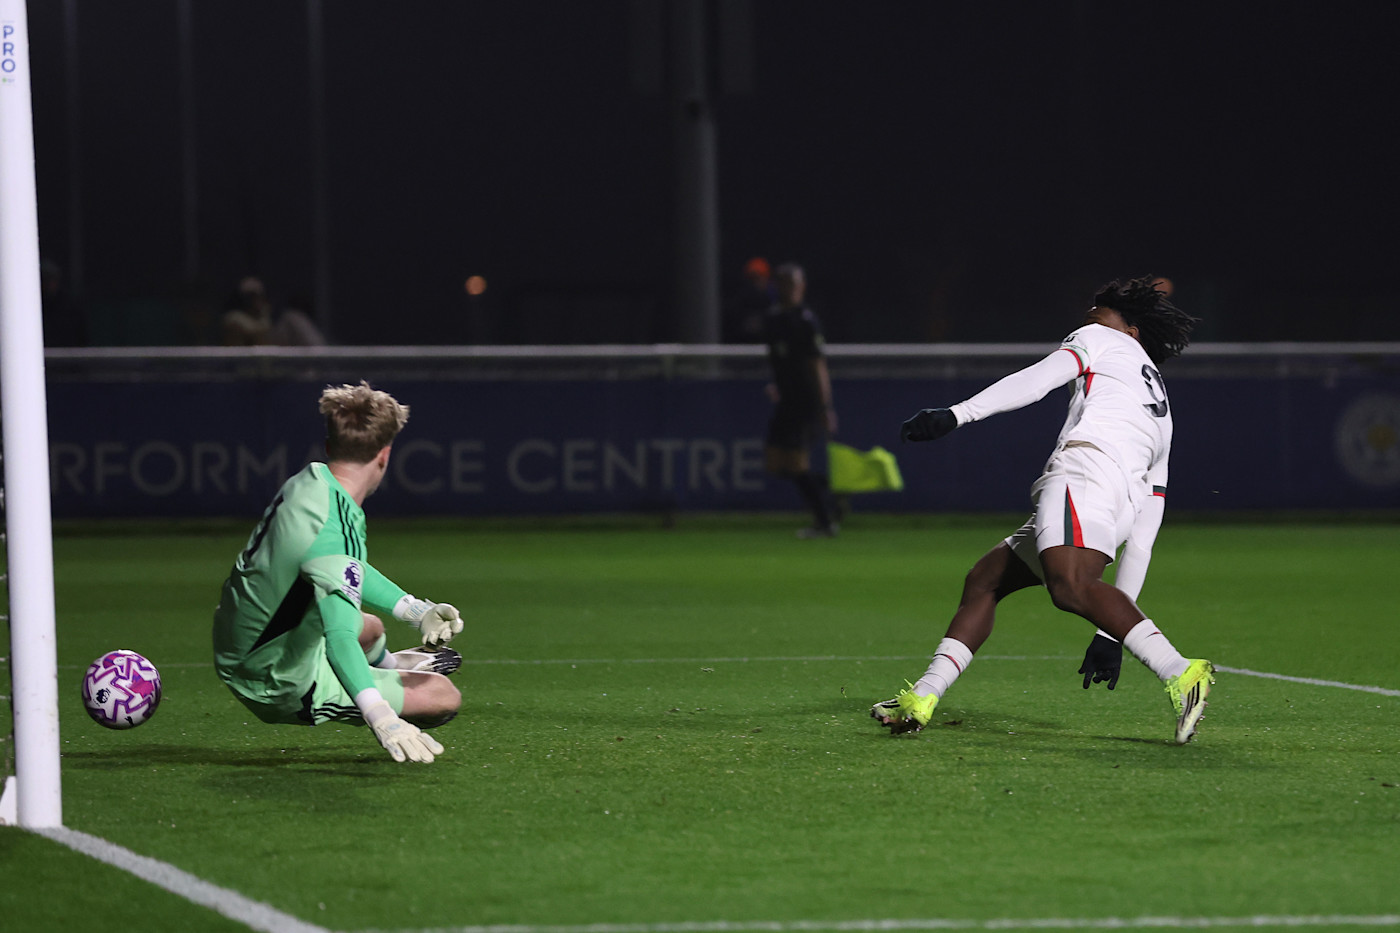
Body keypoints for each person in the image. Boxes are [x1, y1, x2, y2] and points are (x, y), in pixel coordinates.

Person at [872, 276, 1215, 744]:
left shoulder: (1100, 340)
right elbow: (1144, 528)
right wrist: (1112, 635)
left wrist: (957, 414)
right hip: (1115, 500)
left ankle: (1180, 670)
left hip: (1084, 473)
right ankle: (924, 697)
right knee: (986, 580)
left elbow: (1037, 380)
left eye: (1104, 309)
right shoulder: (1159, 406)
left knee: (1070, 587)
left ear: (1131, 330)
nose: (1091, 316)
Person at [213, 381, 464, 763]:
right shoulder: (337, 529)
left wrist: (414, 610)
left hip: (238, 644)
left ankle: (392, 664)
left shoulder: (310, 481)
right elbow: (340, 636)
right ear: (384, 455)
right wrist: (380, 715)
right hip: (273, 681)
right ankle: (377, 680)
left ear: (330, 448)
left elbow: (340, 568)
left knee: (374, 628)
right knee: (442, 695)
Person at [762, 262, 842, 538]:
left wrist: (825, 407)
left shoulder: (806, 320)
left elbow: (817, 366)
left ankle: (825, 523)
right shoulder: (773, 319)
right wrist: (777, 385)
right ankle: (828, 494)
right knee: (774, 464)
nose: (789, 289)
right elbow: (781, 361)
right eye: (784, 283)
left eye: (794, 284)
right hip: (785, 402)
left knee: (796, 463)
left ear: (802, 287)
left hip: (806, 403)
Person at [221, 275, 327, 346]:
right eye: (250, 296)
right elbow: (258, 333)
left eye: (259, 295)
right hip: (249, 367)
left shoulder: (262, 316)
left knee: (293, 317)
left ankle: (323, 359)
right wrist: (265, 315)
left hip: (271, 359)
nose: (255, 300)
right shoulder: (234, 318)